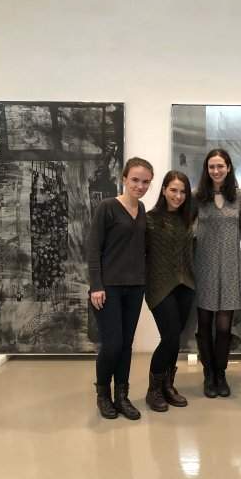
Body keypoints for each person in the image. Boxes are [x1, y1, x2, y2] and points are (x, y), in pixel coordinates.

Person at [88, 157, 154, 420]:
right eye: (135, 179)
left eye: (145, 181)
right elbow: (93, 249)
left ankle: (122, 396)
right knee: (112, 344)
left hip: (135, 287)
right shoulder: (107, 207)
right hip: (108, 289)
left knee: (126, 344)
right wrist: (96, 286)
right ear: (124, 178)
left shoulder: (143, 211)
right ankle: (103, 395)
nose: (140, 185)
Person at [193, 148, 241, 398]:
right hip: (203, 265)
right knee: (204, 324)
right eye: (211, 166)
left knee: (224, 327)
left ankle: (221, 373)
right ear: (207, 170)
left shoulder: (239, 196)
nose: (216, 171)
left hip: (229, 266)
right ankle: (208, 375)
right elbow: (187, 230)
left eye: (220, 166)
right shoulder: (197, 197)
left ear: (228, 168)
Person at [144, 171, 195, 412]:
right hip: (159, 287)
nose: (178, 195)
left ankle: (168, 385)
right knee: (170, 337)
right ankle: (153, 390)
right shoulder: (149, 219)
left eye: (183, 191)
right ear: (164, 189)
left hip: (185, 286)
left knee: (176, 340)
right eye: (173, 190)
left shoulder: (188, 219)